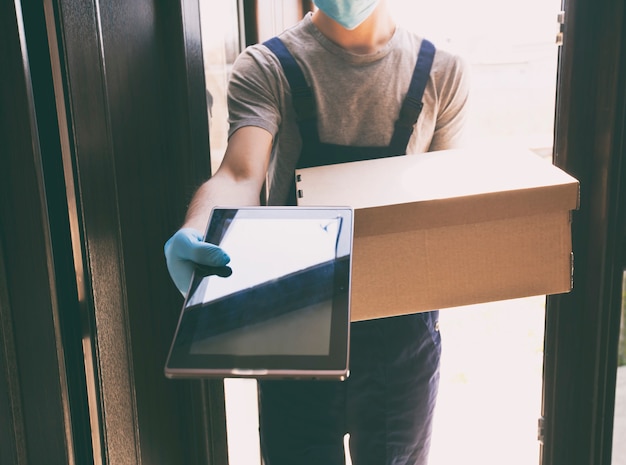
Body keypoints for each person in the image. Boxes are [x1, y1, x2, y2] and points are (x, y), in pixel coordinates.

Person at [165, 1, 470, 463]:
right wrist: (198, 226)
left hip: (402, 333)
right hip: (293, 324)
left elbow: (444, 204)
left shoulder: (443, 74)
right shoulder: (266, 66)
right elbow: (240, 173)